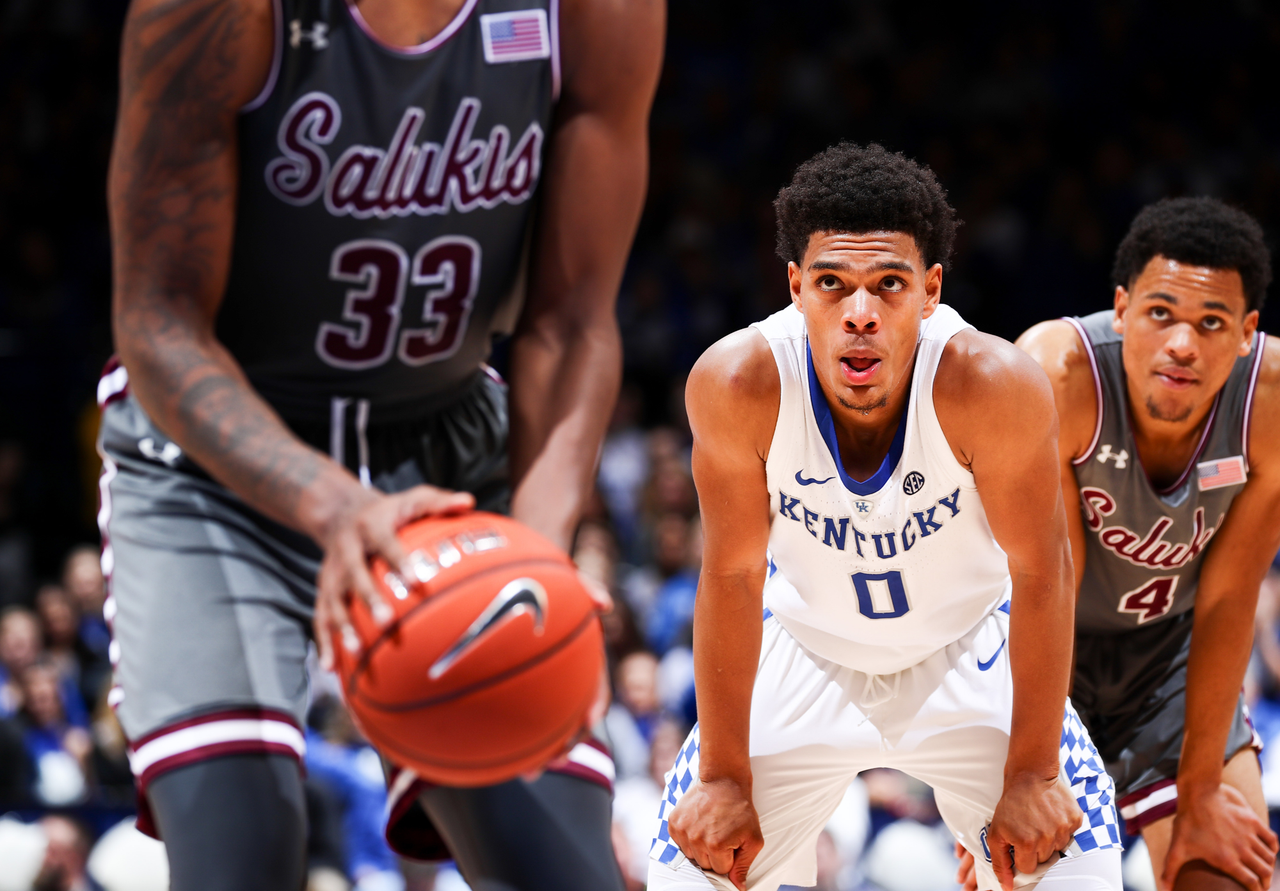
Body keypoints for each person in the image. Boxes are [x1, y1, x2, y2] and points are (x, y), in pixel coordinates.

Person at [104, 0, 664, 888]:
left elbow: (572, 321)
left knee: (559, 870)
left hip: (446, 446)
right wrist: (333, 504)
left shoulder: (596, 13)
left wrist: (538, 548)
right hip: (221, 463)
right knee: (241, 856)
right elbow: (157, 322)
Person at [646, 143, 1122, 891]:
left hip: (971, 649)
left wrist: (1030, 771)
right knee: (688, 872)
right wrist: (724, 777)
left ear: (930, 290)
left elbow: (1041, 570)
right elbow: (732, 574)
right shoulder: (739, 381)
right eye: (832, 284)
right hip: (806, 650)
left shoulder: (991, 383)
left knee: (1078, 875)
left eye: (888, 284)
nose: (860, 314)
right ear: (797, 287)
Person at [1012, 197, 1280, 891]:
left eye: (1211, 322)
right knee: (1023, 870)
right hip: (1042, 654)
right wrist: (1022, 774)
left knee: (1231, 871)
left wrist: (1198, 795)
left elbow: (1229, 596)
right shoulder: (1055, 372)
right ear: (1122, 308)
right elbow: (1047, 586)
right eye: (1161, 314)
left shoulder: (1272, 399)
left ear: (1248, 332)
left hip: (1168, 656)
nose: (1183, 345)